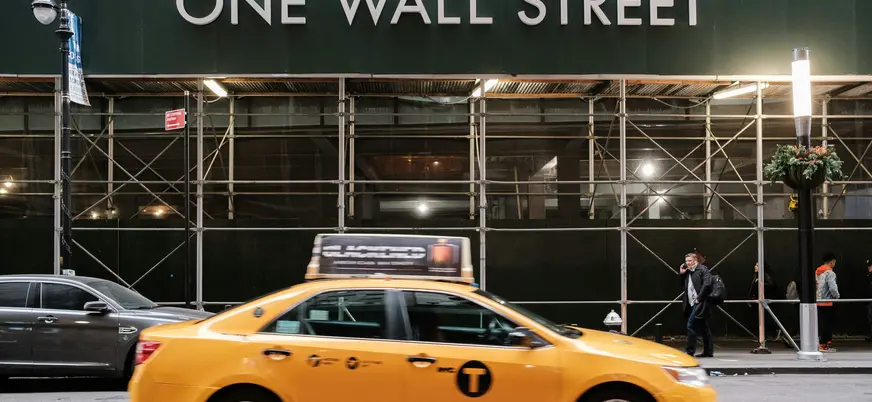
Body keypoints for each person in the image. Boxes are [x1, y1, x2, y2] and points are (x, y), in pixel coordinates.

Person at [680, 251, 713, 357]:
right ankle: (708, 352)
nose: (688, 263)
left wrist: (699, 298)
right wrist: (682, 273)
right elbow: (682, 285)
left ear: (695, 261)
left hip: (699, 302)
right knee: (703, 327)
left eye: (689, 261)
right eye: (686, 261)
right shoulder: (688, 272)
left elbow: (707, 284)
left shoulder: (703, 269)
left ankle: (690, 351)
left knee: (690, 325)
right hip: (691, 302)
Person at [816, 253, 840, 352]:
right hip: (828, 302)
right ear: (832, 262)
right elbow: (833, 287)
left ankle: (824, 344)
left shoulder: (817, 272)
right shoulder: (830, 273)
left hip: (819, 300)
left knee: (822, 323)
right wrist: (837, 296)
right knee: (828, 324)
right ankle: (824, 345)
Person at [748, 261, 777, 340]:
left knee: (765, 319)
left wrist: (761, 285)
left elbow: (772, 285)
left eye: (757, 266)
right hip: (755, 300)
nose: (755, 267)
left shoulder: (765, 276)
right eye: (755, 265)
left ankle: (770, 334)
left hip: (763, 301)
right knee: (758, 319)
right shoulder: (756, 276)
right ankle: (762, 336)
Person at [865, 259, 872, 343]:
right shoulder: (869, 275)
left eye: (870, 266)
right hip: (869, 300)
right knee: (870, 318)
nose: (869, 268)